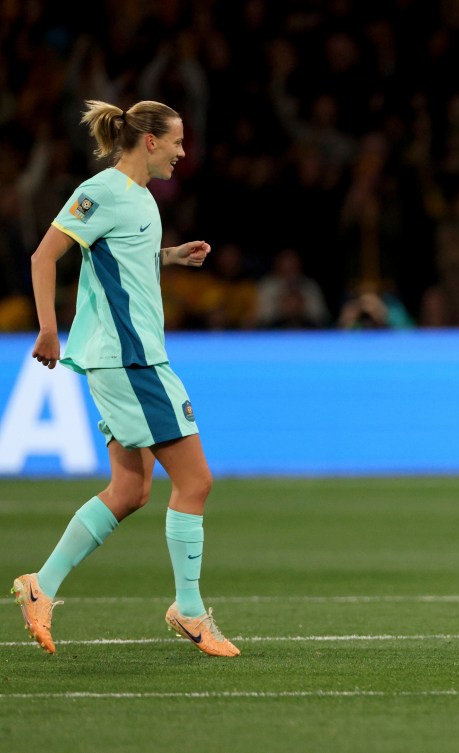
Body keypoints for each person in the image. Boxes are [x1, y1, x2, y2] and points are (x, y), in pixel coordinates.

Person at [12, 99, 239, 657]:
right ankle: (188, 611)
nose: (185, 152)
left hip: (125, 359)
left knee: (131, 489)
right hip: (131, 360)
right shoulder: (103, 190)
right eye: (178, 142)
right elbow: (45, 257)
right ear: (151, 142)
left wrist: (170, 256)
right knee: (196, 482)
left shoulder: (139, 199)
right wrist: (47, 329)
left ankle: (41, 586)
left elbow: (120, 256)